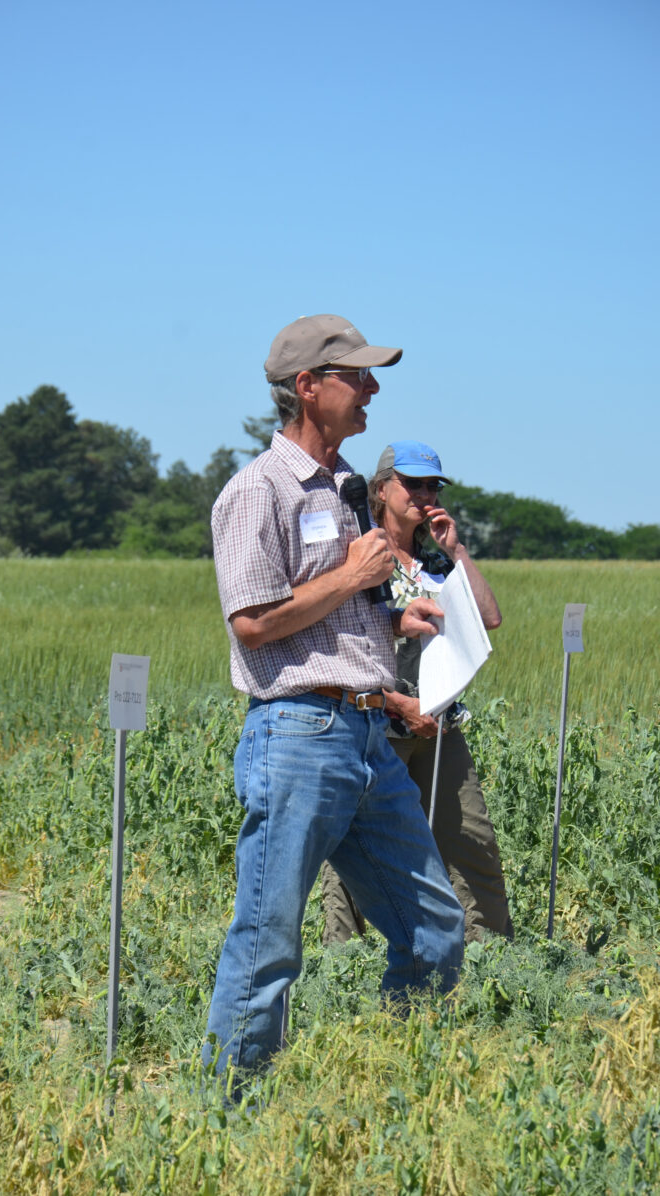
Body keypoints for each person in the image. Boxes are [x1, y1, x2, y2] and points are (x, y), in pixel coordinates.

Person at [203, 315, 465, 1082]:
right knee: (268, 938)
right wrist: (352, 579)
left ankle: (393, 1088)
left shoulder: (347, 490)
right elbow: (254, 624)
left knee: (435, 932)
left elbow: (327, 608)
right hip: (297, 735)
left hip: (365, 739)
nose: (372, 389)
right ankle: (231, 1117)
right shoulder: (257, 491)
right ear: (308, 388)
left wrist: (386, 614)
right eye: (356, 376)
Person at [321, 440, 513, 945]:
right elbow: (339, 635)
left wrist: (457, 550)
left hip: (440, 723)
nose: (425, 494)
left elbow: (488, 618)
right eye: (412, 483)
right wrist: (397, 703)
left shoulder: (436, 565)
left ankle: (494, 962)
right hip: (374, 720)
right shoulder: (358, 555)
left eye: (433, 485)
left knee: (470, 839)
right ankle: (344, 965)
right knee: (356, 845)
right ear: (382, 489)